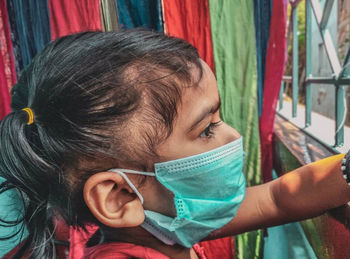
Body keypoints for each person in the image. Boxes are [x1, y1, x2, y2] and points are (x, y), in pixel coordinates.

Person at [1, 30, 350, 259]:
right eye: (206, 130)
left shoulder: (170, 223)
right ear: (119, 196)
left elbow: (278, 198)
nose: (234, 137)